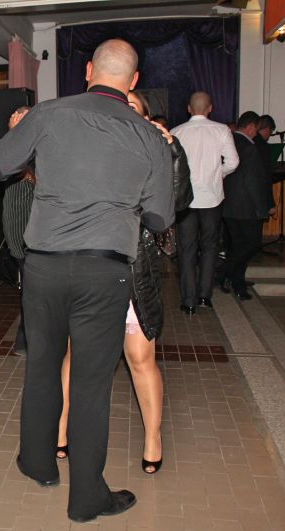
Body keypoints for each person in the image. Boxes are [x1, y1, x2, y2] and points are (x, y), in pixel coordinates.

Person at [0, 39, 174, 523]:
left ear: (88, 70)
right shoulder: (149, 135)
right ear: (133, 81)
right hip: (104, 270)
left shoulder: (49, 114)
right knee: (91, 383)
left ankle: (38, 462)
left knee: (43, 364)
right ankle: (87, 497)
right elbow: (159, 217)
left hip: (43, 265)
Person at [56, 90, 193, 474]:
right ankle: (61, 428)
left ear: (146, 118)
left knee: (140, 358)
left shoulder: (157, 151)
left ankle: (153, 438)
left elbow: (179, 201)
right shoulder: (89, 145)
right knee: (76, 356)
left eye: (131, 107)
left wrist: (172, 151)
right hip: (88, 265)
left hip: (135, 267)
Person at [171, 92, 239, 314]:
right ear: (210, 108)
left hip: (186, 200)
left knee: (186, 249)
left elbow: (170, 166)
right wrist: (218, 175)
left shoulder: (176, 132)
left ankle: (188, 301)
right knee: (210, 247)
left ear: (188, 108)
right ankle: (204, 297)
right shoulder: (221, 130)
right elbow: (233, 162)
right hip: (212, 197)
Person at [217, 111, 274, 299]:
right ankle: (222, 271)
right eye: (256, 129)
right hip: (247, 206)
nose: (256, 133)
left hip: (227, 204)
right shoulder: (250, 148)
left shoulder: (227, 142)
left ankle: (238, 283)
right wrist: (262, 208)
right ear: (250, 127)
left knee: (238, 245)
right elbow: (253, 181)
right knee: (252, 244)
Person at [1, 106, 34, 356]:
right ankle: (25, 342)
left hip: (40, 238)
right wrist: (14, 135)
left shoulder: (40, 151)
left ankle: (27, 342)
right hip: (22, 240)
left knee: (34, 295)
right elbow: (2, 166)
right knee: (32, 295)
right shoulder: (14, 155)